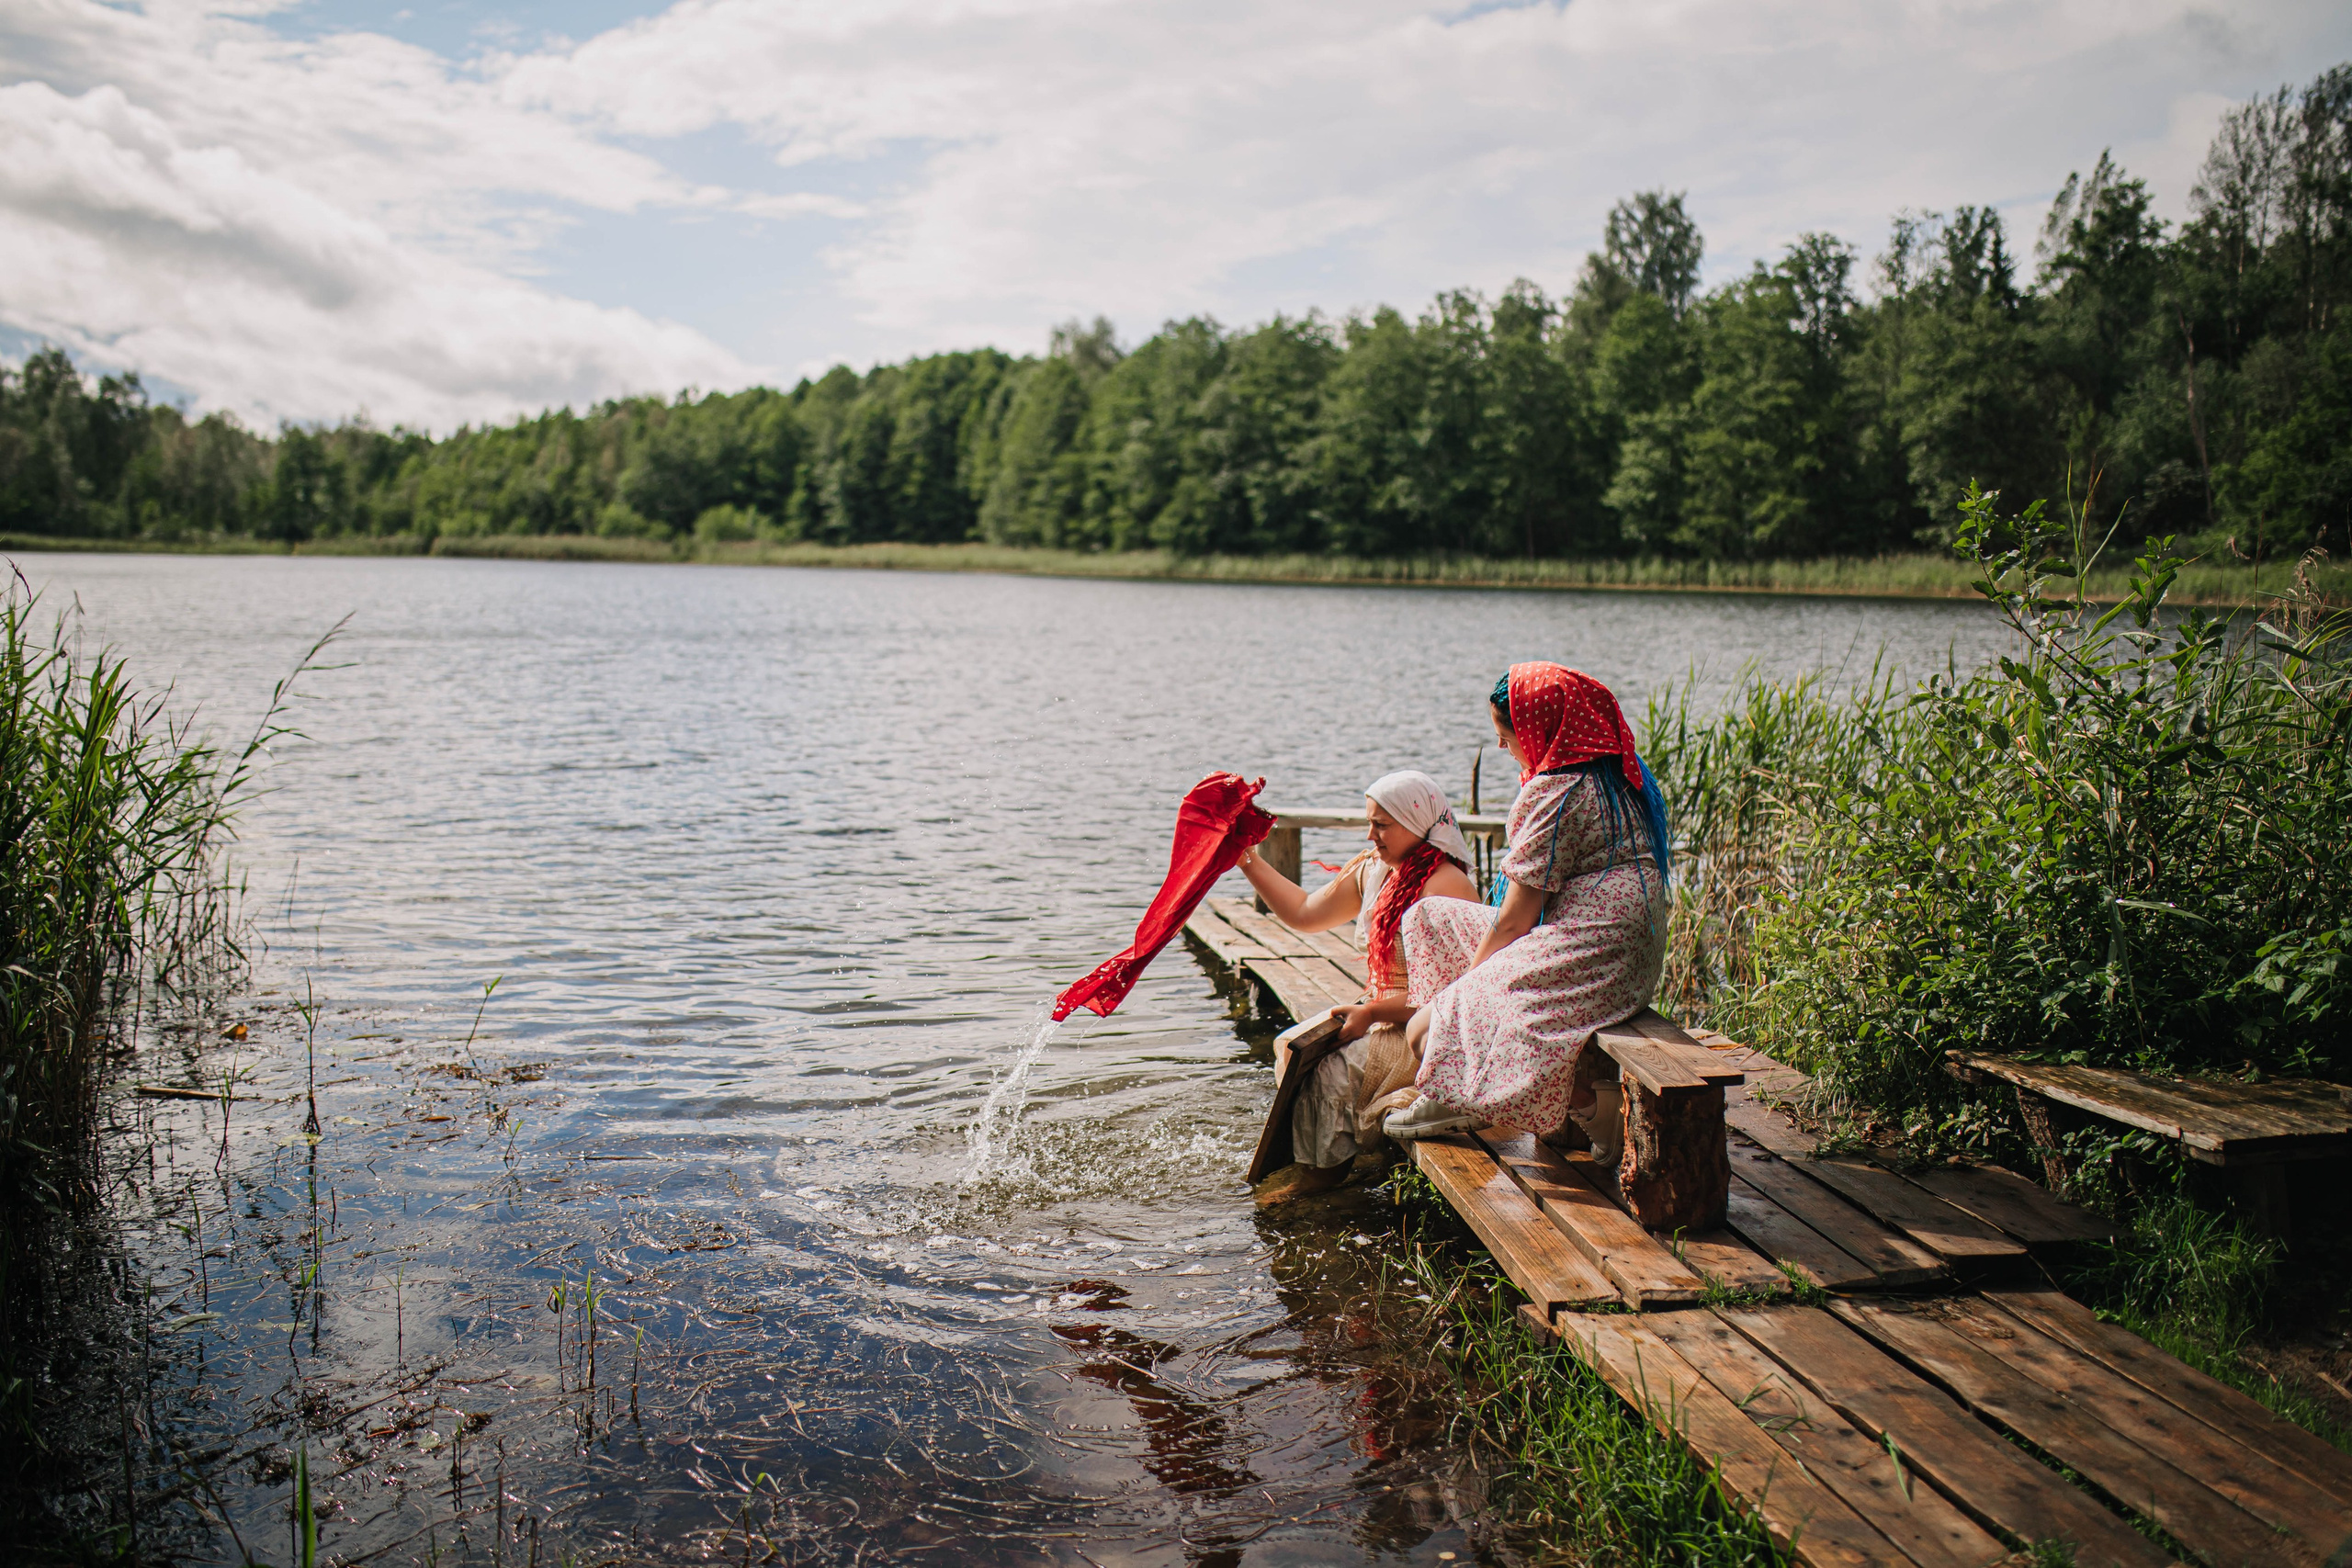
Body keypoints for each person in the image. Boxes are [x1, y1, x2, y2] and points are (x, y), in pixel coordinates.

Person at [1381, 664, 1671, 1162]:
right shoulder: (1618, 772)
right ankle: (1462, 1078)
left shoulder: (1557, 791)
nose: (1502, 747)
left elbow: (1515, 920)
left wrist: (1455, 998)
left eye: (1505, 735)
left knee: (1428, 1027)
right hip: (1611, 944)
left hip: (1594, 945)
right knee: (1428, 918)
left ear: (1539, 729)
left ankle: (1466, 1089)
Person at [1237, 771, 1476, 1204]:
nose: (1371, 834)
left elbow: (1452, 994)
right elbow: (1307, 913)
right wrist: (1245, 858)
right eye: (1371, 822)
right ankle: (1322, 1160)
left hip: (1425, 1030)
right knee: (1291, 1045)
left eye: (1382, 824)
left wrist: (1372, 1013)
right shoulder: (1375, 872)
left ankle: (1321, 1181)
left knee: (1332, 1071)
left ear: (1417, 822)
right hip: (1381, 1010)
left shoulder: (1446, 885)